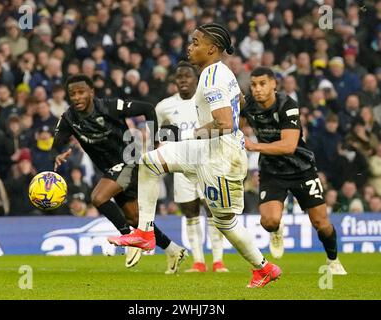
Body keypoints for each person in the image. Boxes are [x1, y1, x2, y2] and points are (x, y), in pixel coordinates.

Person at [109, 23, 281, 288]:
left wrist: (196, 132)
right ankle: (145, 232)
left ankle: (264, 268)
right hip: (208, 150)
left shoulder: (212, 75)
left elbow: (225, 123)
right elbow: (242, 103)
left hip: (221, 159)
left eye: (195, 42)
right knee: (150, 161)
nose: (190, 47)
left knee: (225, 222)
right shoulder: (222, 72)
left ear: (212, 48)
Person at [53, 74, 187, 273]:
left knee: (98, 198)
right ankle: (173, 249)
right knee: (135, 219)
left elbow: (147, 109)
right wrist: (60, 152)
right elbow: (57, 143)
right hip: (111, 170)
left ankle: (128, 239)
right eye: (72, 94)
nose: (77, 97)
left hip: (129, 161)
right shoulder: (69, 118)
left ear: (91, 92)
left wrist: (153, 143)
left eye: (81, 92)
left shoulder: (109, 107)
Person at [239, 66, 347, 275]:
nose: (258, 89)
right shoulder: (249, 106)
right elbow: (234, 123)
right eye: (253, 85)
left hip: (302, 169)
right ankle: (276, 230)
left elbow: (288, 145)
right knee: (269, 221)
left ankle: (332, 260)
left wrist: (254, 146)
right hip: (272, 170)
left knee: (321, 223)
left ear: (273, 84)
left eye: (262, 84)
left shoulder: (287, 105)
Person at [156, 61, 228, 273]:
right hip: (181, 167)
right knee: (190, 213)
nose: (183, 80)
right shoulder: (164, 106)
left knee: (213, 211)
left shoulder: (206, 101)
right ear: (175, 81)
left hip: (208, 163)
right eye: (179, 77)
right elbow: (160, 136)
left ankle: (218, 261)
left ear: (196, 79)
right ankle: (198, 262)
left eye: (187, 76)